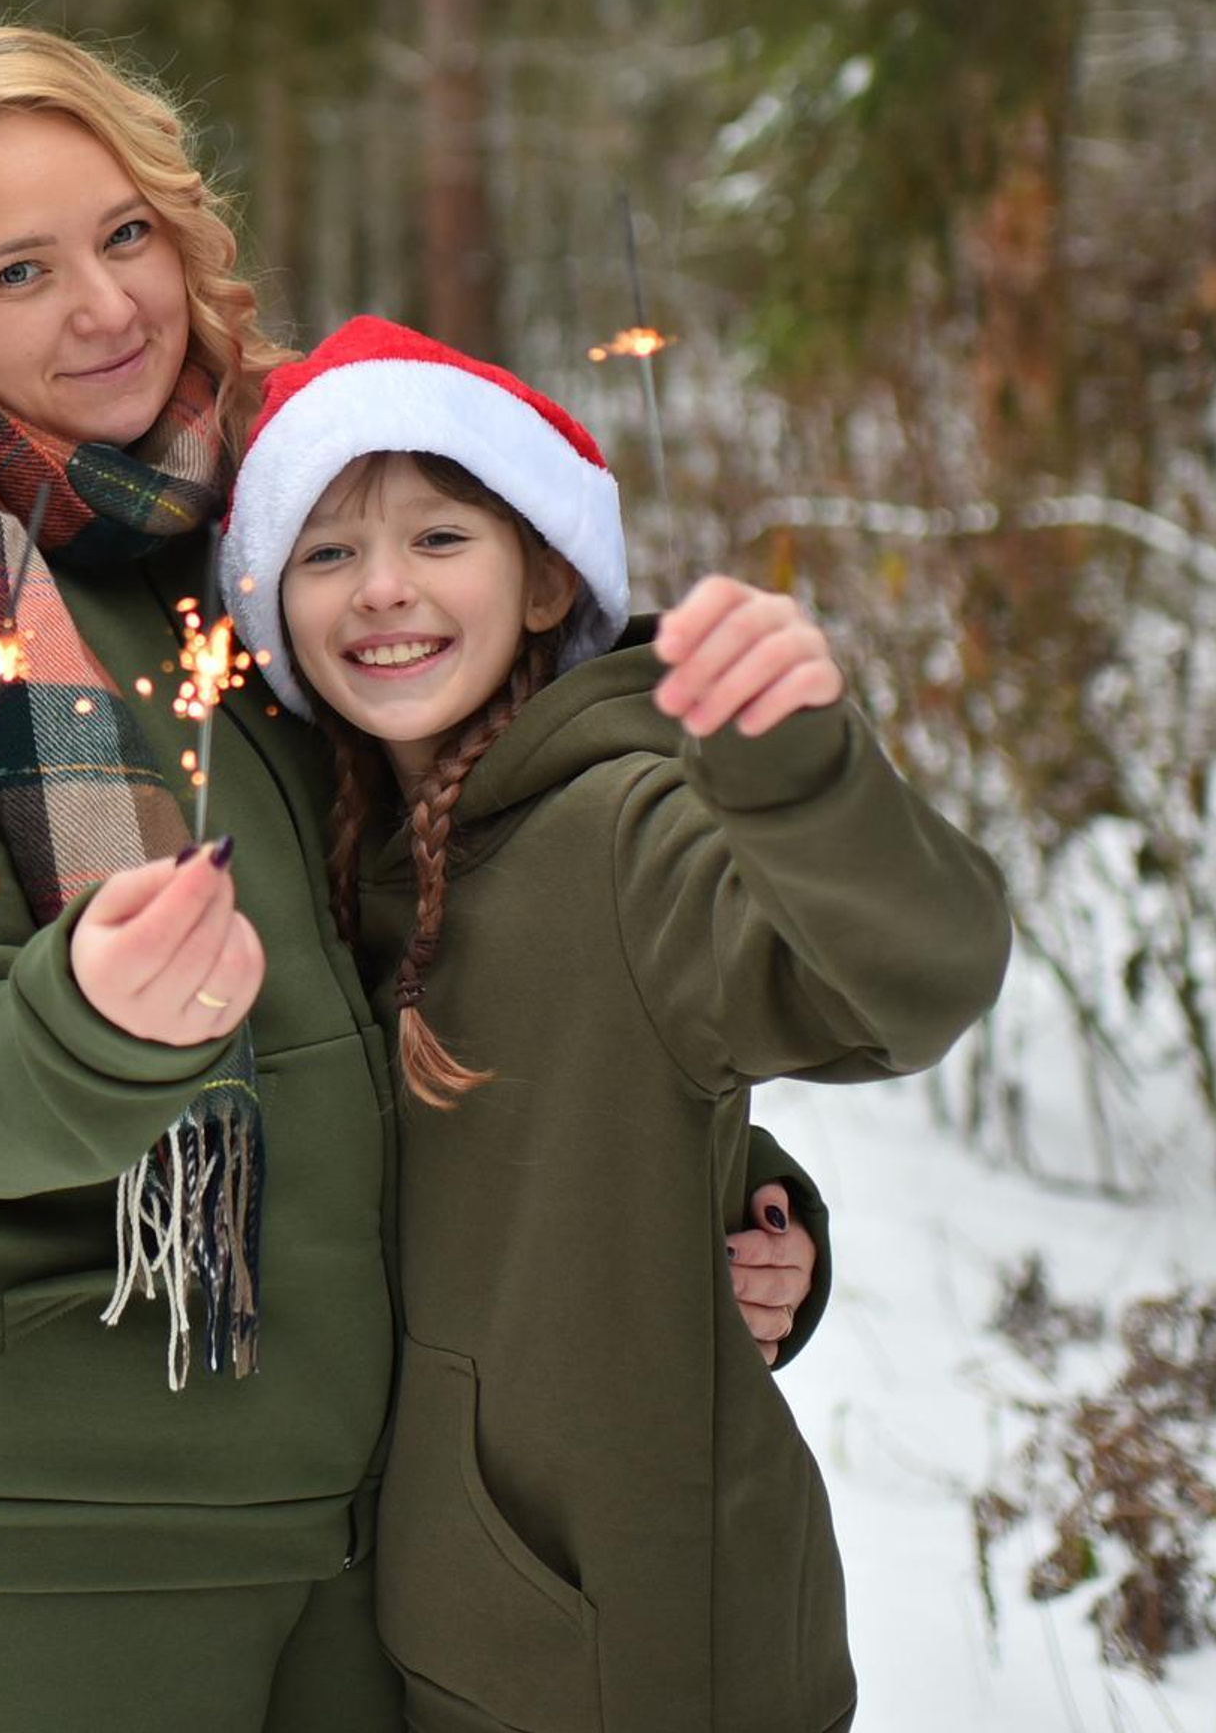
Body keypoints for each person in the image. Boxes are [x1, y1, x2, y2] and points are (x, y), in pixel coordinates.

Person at [0, 27, 825, 1733]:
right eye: (21, 270)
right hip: (34, 1555)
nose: (105, 308)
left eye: (127, 233)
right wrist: (88, 1021)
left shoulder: (279, 554)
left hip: (351, 1522)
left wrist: (725, 1201)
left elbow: (443, 959)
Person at [215, 314, 1013, 1732]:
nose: (381, 589)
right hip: (455, 1633)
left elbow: (912, 985)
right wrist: (764, 1211)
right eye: (328, 552)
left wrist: (799, 775)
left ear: (542, 580)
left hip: (632, 1649)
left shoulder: (620, 829)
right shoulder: (334, 854)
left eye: (440, 537)